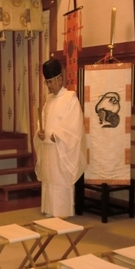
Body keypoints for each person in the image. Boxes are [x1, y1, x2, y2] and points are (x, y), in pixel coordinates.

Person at [34, 58, 87, 217]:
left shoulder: (70, 98)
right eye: (47, 82)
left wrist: (57, 134)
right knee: (48, 178)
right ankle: (49, 209)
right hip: (47, 148)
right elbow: (41, 121)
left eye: (51, 82)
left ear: (60, 79)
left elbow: (74, 124)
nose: (49, 86)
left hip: (60, 148)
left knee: (59, 179)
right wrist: (40, 132)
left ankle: (62, 211)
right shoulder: (48, 101)